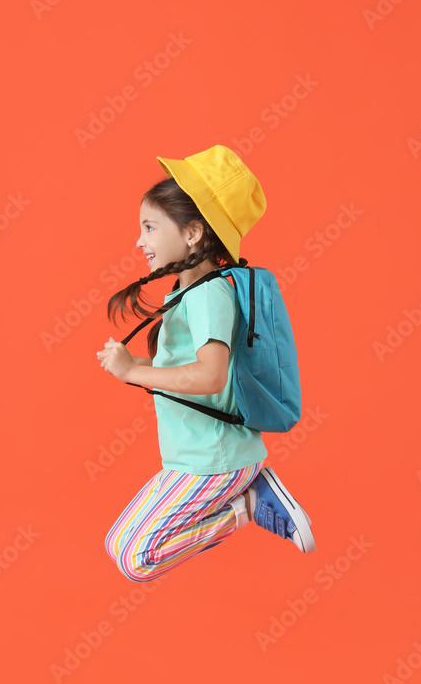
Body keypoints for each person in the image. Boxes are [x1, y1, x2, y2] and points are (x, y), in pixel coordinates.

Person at [97, 144, 315, 581]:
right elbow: (186, 365)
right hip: (192, 454)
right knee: (117, 544)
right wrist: (135, 362)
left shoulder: (207, 294)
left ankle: (248, 505)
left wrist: (134, 372)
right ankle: (251, 497)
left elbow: (211, 376)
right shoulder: (189, 292)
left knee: (136, 558)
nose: (140, 240)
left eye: (150, 227)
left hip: (213, 458)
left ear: (193, 233)